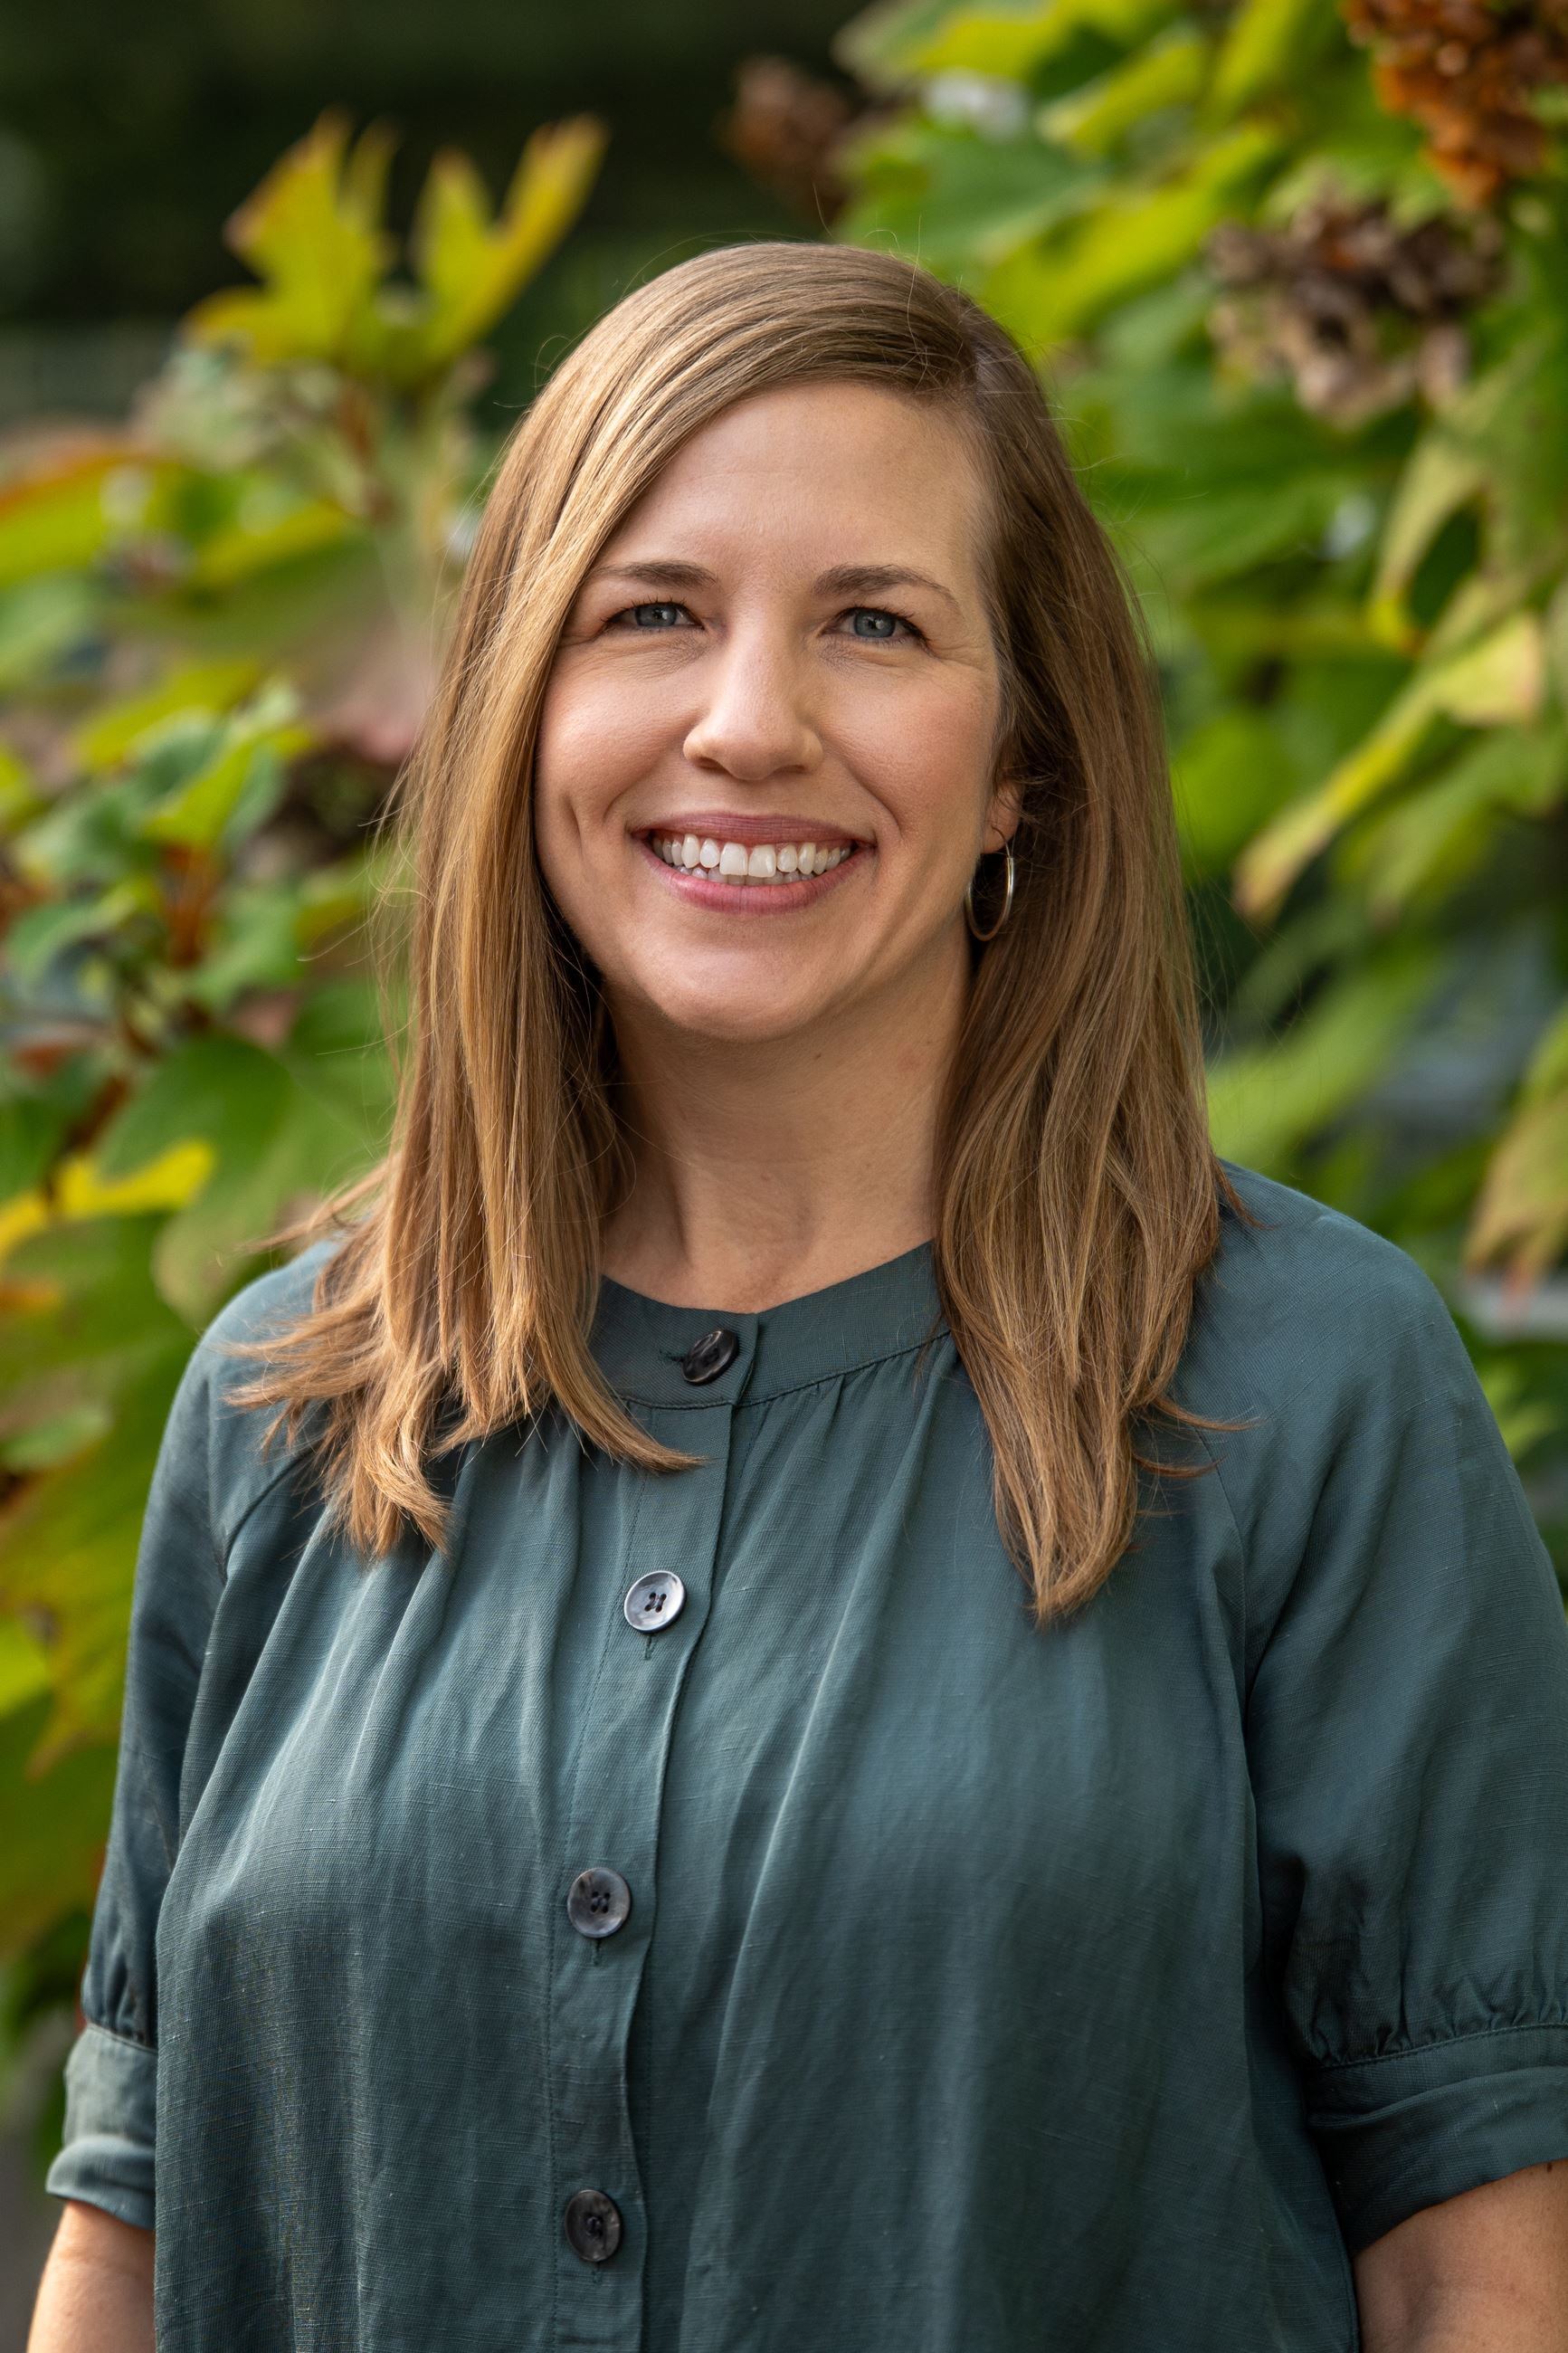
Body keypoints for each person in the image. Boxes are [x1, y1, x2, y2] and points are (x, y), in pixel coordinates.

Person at [27, 242, 1568, 2353]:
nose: (751, 724)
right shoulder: (292, 1402)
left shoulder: (1302, 1386)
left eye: (876, 623)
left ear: (1022, 758)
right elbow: (134, 2229)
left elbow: (1479, 2261)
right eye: (652, 612)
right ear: (519, 715)